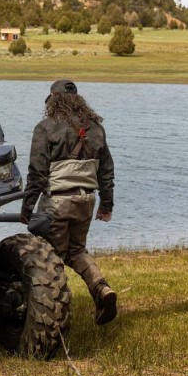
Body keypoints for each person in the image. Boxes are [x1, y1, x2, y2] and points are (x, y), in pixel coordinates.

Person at [21, 79, 117, 325]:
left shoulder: (45, 128)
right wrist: (106, 205)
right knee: (75, 251)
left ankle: (53, 312)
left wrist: (27, 206)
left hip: (57, 202)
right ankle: (101, 288)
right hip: (86, 200)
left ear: (52, 100)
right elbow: (106, 171)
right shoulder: (96, 129)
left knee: (48, 256)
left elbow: (37, 172)